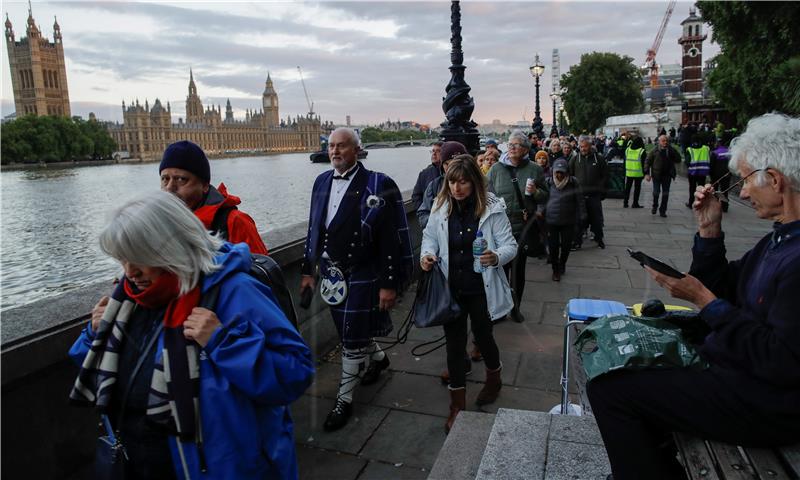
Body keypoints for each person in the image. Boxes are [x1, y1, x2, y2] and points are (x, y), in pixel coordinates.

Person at [587, 113, 800, 480]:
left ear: (776, 181)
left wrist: (705, 302)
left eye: (746, 180)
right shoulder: (779, 239)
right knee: (624, 356)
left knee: (611, 391)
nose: (743, 192)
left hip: (766, 402)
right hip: (739, 371)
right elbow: (723, 285)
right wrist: (709, 232)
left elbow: (782, 362)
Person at [69, 191, 314, 479]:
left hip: (216, 467)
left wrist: (225, 343)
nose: (130, 272)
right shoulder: (128, 299)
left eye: (139, 258)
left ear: (173, 246)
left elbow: (296, 371)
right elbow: (105, 372)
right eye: (122, 258)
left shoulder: (234, 291)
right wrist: (94, 334)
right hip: (139, 463)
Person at [300, 127, 413, 432]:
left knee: (350, 336)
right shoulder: (321, 181)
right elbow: (314, 229)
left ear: (357, 150)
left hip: (364, 271)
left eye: (342, 146)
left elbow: (391, 238)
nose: (334, 151)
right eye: (331, 146)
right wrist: (307, 271)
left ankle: (344, 399)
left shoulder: (379, 183)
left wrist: (389, 284)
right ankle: (378, 358)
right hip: (331, 273)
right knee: (348, 327)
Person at [420, 157, 517, 433]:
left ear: (474, 181)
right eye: (452, 182)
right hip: (452, 289)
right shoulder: (440, 208)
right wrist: (427, 255)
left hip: (481, 290)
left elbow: (511, 245)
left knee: (484, 338)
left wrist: (496, 256)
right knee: (454, 345)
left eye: (463, 182)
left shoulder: (492, 210)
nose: (457, 188)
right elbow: (428, 238)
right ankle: (457, 405)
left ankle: (494, 379)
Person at [159, 140, 268, 254]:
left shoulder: (235, 222)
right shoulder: (155, 224)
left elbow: (259, 269)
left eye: (181, 179)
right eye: (165, 179)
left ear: (205, 185)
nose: (170, 187)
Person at [486, 130, 549, 323]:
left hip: (522, 226)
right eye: (510, 144)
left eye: (517, 145)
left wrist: (536, 191)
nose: (512, 148)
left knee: (518, 270)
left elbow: (545, 196)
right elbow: (487, 194)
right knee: (499, 270)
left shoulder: (534, 169)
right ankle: (499, 310)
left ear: (525, 150)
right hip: (500, 228)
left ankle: (515, 308)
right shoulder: (496, 169)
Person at [545, 159, 586, 281]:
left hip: (568, 220)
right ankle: (555, 269)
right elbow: (543, 199)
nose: (559, 175)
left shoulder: (573, 182)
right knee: (553, 247)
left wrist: (583, 215)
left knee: (566, 246)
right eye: (557, 172)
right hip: (551, 220)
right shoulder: (548, 182)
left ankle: (562, 263)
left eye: (562, 172)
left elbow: (580, 199)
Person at [417, 141, 468, 230]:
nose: (450, 167)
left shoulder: (480, 183)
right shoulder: (434, 186)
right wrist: (438, 224)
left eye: (454, 163)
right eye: (446, 164)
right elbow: (423, 213)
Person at [569, 135, 608, 249]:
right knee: (579, 219)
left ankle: (599, 238)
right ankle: (577, 241)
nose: (583, 149)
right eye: (581, 147)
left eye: (585, 146)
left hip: (594, 195)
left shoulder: (599, 158)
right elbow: (570, 175)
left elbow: (605, 175)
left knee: (596, 218)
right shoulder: (575, 159)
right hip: (579, 195)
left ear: (590, 146)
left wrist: (601, 190)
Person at [645, 134, 682, 217]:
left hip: (667, 175)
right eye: (663, 141)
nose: (665, 142)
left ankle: (663, 210)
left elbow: (678, 159)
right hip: (656, 175)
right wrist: (647, 173)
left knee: (665, 194)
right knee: (656, 193)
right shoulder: (654, 151)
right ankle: (655, 206)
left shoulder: (670, 150)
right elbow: (647, 162)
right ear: (659, 142)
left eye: (666, 141)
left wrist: (672, 150)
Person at [411, 141, 443, 210]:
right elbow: (416, 196)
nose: (434, 154)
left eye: (438, 151)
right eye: (433, 151)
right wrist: (423, 213)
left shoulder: (450, 172)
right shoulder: (424, 174)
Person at [685, 134, 711, 208]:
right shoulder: (706, 148)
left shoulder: (689, 149)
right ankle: (700, 203)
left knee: (692, 188)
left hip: (692, 172)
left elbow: (687, 162)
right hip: (703, 172)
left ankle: (691, 203)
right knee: (701, 189)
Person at [710, 132, 733, 212]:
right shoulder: (730, 152)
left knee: (714, 190)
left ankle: (714, 205)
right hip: (726, 174)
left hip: (716, 175)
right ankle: (725, 206)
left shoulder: (715, 153)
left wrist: (710, 173)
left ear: (719, 143)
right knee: (725, 191)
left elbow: (711, 165)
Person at [622, 136, 646, 209]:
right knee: (637, 188)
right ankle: (635, 203)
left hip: (629, 172)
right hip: (638, 173)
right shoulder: (642, 151)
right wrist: (645, 173)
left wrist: (624, 171)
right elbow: (644, 163)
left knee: (628, 188)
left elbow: (624, 161)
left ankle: (625, 203)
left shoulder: (627, 150)